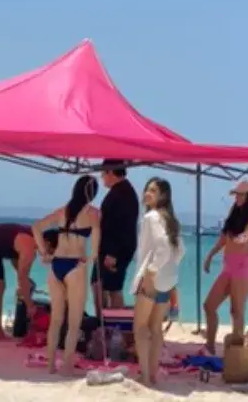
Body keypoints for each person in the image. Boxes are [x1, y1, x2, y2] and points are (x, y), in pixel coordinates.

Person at [32, 175, 101, 375]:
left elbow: (36, 227)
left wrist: (44, 252)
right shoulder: (93, 213)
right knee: (74, 321)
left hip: (56, 265)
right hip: (75, 266)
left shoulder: (63, 211)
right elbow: (95, 244)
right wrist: (91, 257)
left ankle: (51, 364)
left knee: (56, 319)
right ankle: (68, 365)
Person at [129, 178, 185, 387]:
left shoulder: (151, 217)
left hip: (153, 277)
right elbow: (180, 250)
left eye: (153, 191)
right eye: (147, 189)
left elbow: (162, 247)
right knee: (156, 328)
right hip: (168, 279)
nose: (147, 193)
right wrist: (169, 267)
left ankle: (144, 375)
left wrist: (151, 271)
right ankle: (152, 373)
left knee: (140, 327)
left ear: (163, 196)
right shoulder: (170, 219)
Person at [202, 179, 248, 355]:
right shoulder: (234, 212)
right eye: (236, 194)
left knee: (236, 311)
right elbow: (224, 238)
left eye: (240, 194)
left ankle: (236, 353)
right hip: (228, 266)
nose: (236, 197)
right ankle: (210, 346)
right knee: (209, 306)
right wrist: (210, 255)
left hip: (244, 268)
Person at [94, 160, 139, 310]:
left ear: (111, 172)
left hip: (114, 250)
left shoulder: (122, 193)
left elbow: (121, 225)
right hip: (112, 249)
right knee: (101, 284)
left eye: (103, 174)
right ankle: (107, 323)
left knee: (111, 288)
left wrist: (113, 253)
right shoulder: (121, 191)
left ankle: (114, 325)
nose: (102, 178)